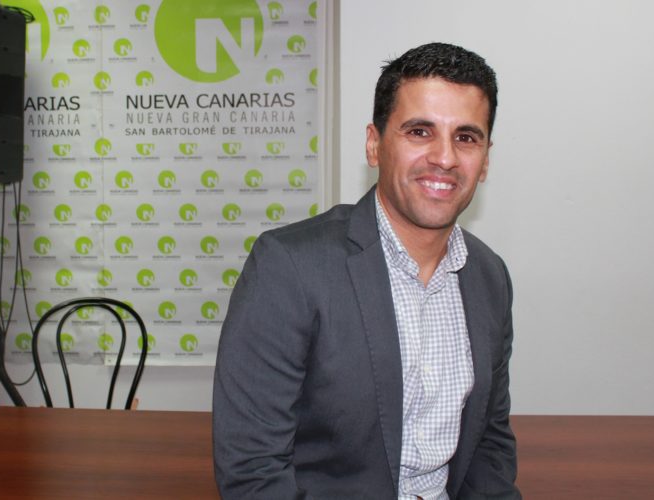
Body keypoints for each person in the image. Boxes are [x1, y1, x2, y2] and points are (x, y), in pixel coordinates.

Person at [212, 42, 520, 499]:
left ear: (486, 158)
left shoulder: (490, 277)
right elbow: (252, 470)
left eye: (466, 137)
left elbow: (489, 446)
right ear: (374, 145)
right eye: (420, 131)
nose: (445, 158)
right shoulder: (288, 266)